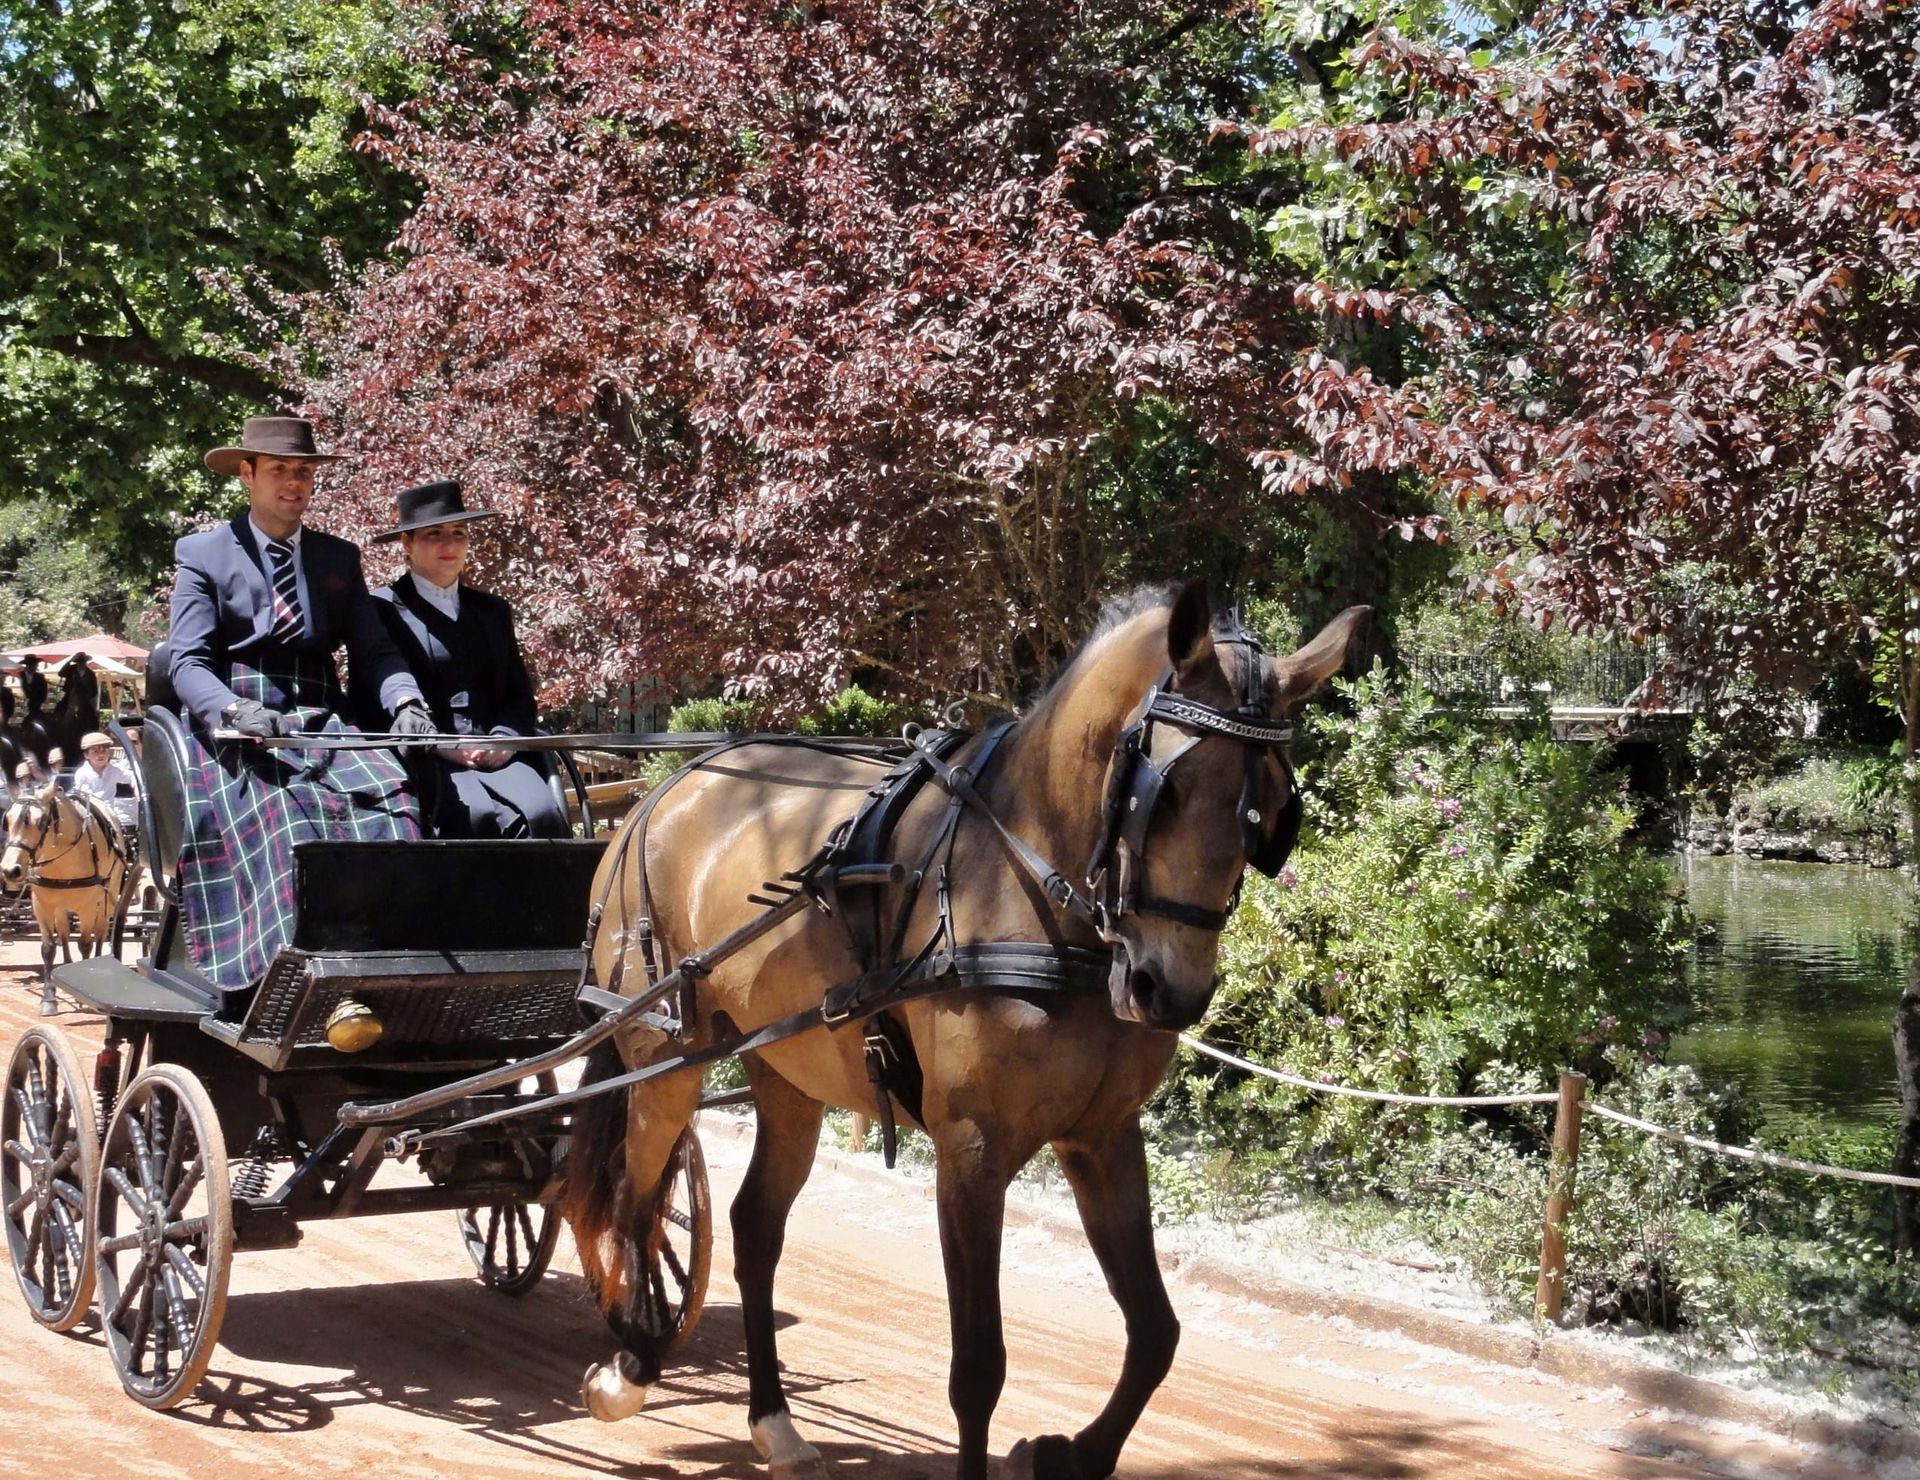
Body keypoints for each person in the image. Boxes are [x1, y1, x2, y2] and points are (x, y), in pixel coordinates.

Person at [167, 416, 439, 989]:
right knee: (289, 820)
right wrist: (234, 713)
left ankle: (390, 968)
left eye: (304, 472)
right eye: (279, 471)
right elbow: (187, 663)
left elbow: (376, 650)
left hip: (321, 717)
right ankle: (294, 978)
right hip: (237, 719)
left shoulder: (337, 558)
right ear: (247, 474)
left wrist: (406, 701)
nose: (294, 483)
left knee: (396, 804)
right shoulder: (203, 554)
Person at [363, 480, 569, 839]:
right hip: (425, 756)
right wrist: (442, 745)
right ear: (407, 544)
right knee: (473, 817)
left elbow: (519, 696)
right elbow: (372, 701)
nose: (450, 544)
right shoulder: (380, 610)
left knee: (542, 815)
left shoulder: (491, 611)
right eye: (434, 533)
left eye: (459, 533)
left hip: (497, 754)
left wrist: (503, 740)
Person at [70, 732, 137, 829]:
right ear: (86, 755)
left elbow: (131, 776)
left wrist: (136, 786)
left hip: (109, 816)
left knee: (117, 829)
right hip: (90, 815)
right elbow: (85, 797)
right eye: (95, 751)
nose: (101, 755)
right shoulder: (82, 773)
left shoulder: (114, 771)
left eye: (104, 751)